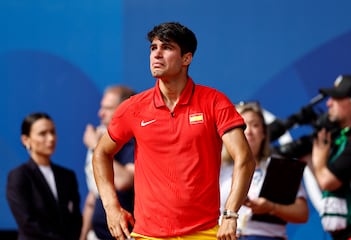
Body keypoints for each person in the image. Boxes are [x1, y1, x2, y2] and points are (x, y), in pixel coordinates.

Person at [92, 21, 256, 240]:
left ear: (186, 58)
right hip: (147, 234)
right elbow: (101, 153)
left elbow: (244, 157)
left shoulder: (214, 102)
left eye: (166, 48)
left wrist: (230, 214)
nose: (156, 54)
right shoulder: (133, 108)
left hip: (203, 232)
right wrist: (111, 207)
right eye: (153, 48)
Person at [220, 102, 309, 240]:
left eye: (255, 125)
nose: (249, 131)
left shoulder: (280, 166)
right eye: (242, 126)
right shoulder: (219, 167)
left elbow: (302, 213)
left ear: (263, 133)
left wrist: (271, 207)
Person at [6, 112, 82, 240]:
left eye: (53, 132)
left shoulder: (67, 176)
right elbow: (27, 222)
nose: (51, 138)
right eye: (43, 133)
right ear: (26, 140)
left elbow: (75, 218)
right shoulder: (19, 176)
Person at [80, 85, 136, 240]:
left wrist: (96, 148)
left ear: (123, 110)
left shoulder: (134, 141)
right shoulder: (103, 141)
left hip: (128, 234)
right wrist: (83, 235)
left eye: (108, 108)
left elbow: (124, 181)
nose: (100, 113)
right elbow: (94, 196)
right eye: (101, 107)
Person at [309, 75, 351, 239]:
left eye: (336, 98)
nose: (328, 103)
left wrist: (318, 160)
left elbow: (328, 181)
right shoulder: (342, 138)